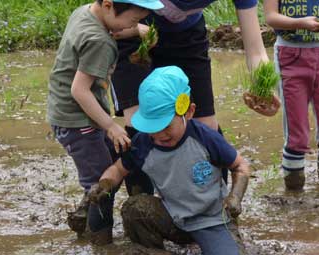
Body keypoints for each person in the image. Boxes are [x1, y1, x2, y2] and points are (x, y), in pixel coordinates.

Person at [110, 0, 268, 193]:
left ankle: (220, 207)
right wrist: (137, 30)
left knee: (205, 128)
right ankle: (142, 206)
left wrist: (264, 91)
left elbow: (256, 50)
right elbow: (108, 21)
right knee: (140, 127)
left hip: (187, 35)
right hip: (133, 31)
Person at [89, 66, 251, 254]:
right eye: (152, 127)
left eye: (165, 126)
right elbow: (117, 170)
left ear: (188, 112)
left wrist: (235, 197)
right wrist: (105, 183)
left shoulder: (205, 137)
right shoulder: (143, 142)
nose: (159, 134)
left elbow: (241, 166)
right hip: (173, 218)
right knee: (135, 209)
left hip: (212, 220)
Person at [46, 0, 164, 244]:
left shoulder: (87, 12)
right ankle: (100, 241)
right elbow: (79, 91)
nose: (136, 24)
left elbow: (114, 26)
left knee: (110, 162)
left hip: (66, 111)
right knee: (103, 184)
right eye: (134, 20)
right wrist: (110, 126)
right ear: (109, 5)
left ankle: (84, 215)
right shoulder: (100, 42)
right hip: (78, 120)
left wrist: (135, 30)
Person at [264, 0, 319, 191]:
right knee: (297, 132)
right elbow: (271, 17)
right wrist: (300, 23)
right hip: (290, 54)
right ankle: (294, 190)